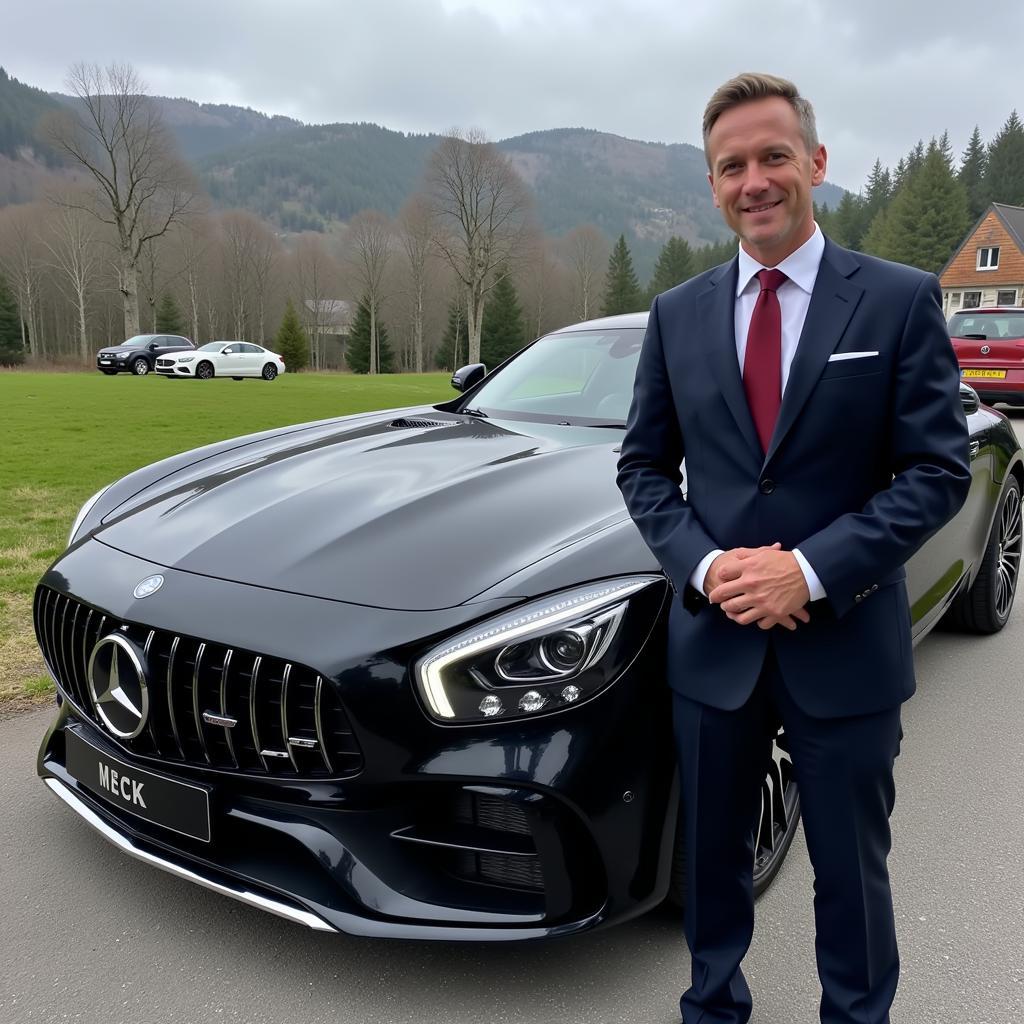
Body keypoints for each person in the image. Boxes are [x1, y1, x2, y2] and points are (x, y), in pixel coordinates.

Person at [616, 73, 971, 1024]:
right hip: (714, 647)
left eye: (774, 156)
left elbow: (938, 472)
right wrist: (702, 565)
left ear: (815, 163)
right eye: (731, 166)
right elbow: (644, 469)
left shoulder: (897, 302)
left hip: (845, 646)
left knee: (852, 877)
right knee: (712, 869)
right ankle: (713, 1008)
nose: (754, 181)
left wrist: (809, 570)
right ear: (713, 184)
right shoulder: (677, 314)